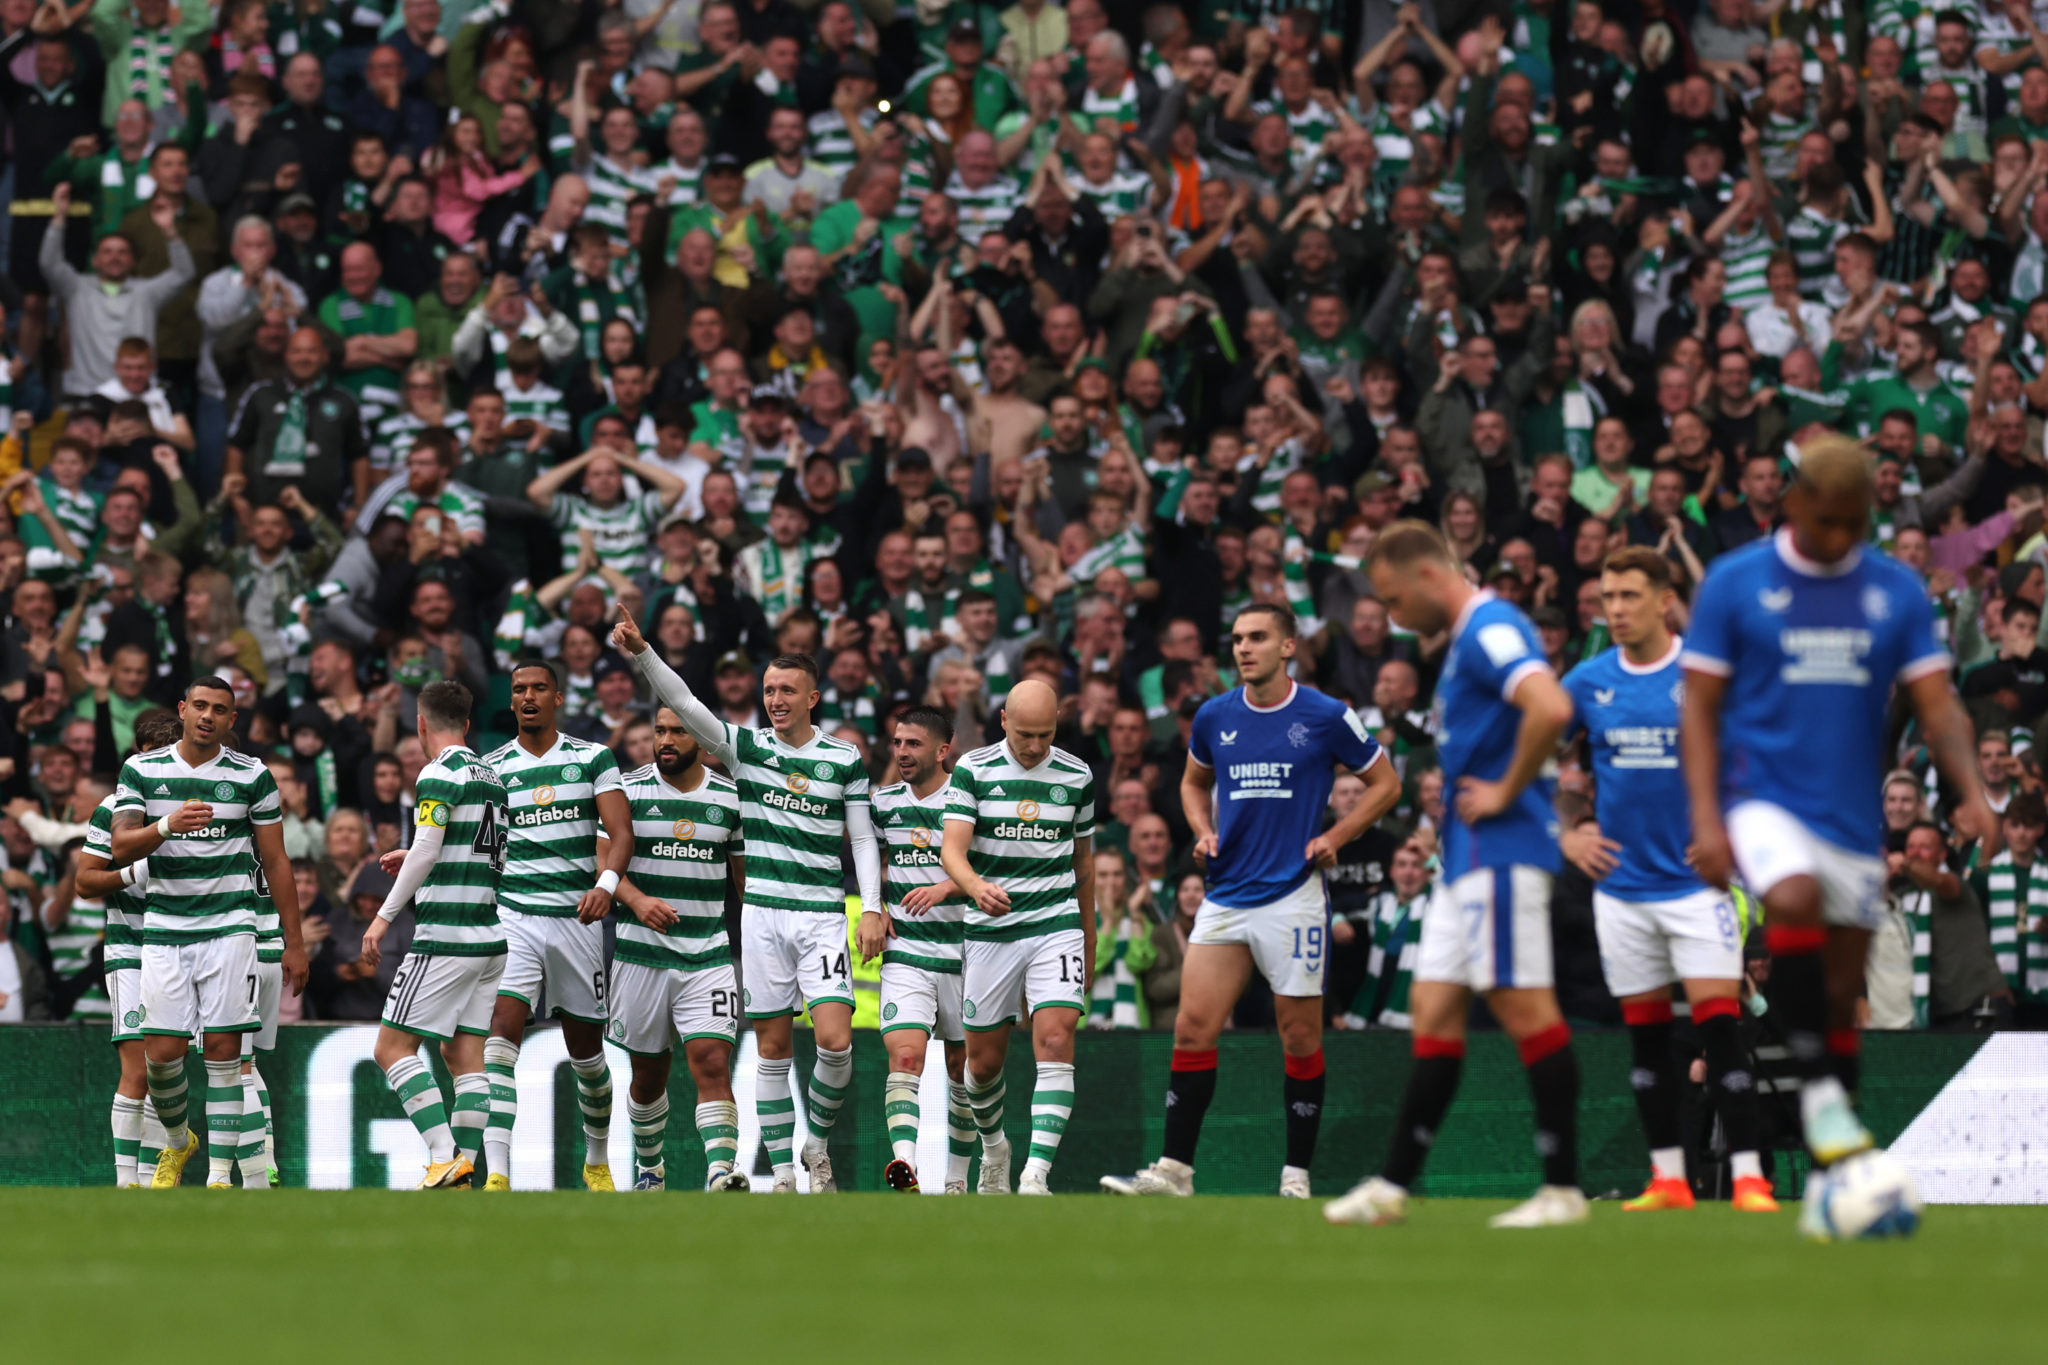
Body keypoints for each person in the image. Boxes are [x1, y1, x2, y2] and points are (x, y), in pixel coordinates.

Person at [1681, 435, 1998, 1236]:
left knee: (1835, 991)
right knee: (1789, 899)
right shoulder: (1735, 582)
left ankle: (1833, 1179)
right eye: (1827, 520)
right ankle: (1824, 1108)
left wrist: (1970, 790)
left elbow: (1937, 704)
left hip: (1851, 813)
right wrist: (1708, 817)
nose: (1841, 536)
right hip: (1762, 797)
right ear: (1792, 503)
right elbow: (1698, 708)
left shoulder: (1893, 589)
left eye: (1856, 522)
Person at [1326, 521, 1585, 1230]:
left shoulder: (1491, 626)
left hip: (1501, 859)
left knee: (1528, 1013)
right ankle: (1392, 1185)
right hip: (1462, 865)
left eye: (1393, 599)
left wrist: (1504, 790)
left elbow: (1552, 705)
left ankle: (1563, 1188)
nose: (1394, 618)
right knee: (1434, 1015)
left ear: (1428, 577)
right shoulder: (1469, 637)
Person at [1103, 603, 1398, 1199]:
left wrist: (1335, 836)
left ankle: (1295, 1176)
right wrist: (1200, 830)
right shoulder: (1215, 715)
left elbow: (1387, 784)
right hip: (1226, 896)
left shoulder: (1326, 715)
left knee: (1299, 1039)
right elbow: (1192, 781)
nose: (1243, 648)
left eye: (1258, 638)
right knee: (1191, 1030)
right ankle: (1175, 1172)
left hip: (1293, 897)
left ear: (1288, 646)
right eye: (1237, 638)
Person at [614, 605, 883, 1193]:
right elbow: (683, 704)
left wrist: (875, 906)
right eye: (768, 690)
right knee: (772, 1049)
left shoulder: (843, 759)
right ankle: (783, 1173)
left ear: (813, 698)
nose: (776, 699)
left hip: (820, 916)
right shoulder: (744, 749)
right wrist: (642, 651)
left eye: (788, 690)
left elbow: (861, 835)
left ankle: (817, 1141)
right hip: (760, 916)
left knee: (836, 1044)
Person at [1559, 546, 1775, 1213]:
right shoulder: (1588, 681)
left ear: (1664, 599)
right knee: (1648, 1038)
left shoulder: (1706, 676)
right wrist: (1565, 832)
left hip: (1695, 889)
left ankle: (1749, 1179)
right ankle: (1668, 1179)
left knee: (1721, 1027)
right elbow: (1525, 760)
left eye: (1628, 595)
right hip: (1622, 893)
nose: (1615, 609)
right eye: (1606, 597)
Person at [111, 675, 306, 1188]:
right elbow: (120, 847)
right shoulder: (142, 769)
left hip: (230, 929)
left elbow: (277, 860)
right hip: (166, 930)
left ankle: (221, 1177)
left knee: (224, 1051)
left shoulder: (252, 775)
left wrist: (295, 941)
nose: (207, 716)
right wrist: (168, 826)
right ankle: (180, 1141)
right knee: (162, 1054)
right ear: (182, 709)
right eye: (199, 705)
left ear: (231, 720)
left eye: (219, 709)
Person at [477, 660, 633, 1191]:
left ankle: (596, 1160)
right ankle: (497, 1173)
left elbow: (621, 833)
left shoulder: (592, 758)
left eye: (538, 688)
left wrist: (606, 887)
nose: (527, 696)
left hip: (577, 918)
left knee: (587, 1055)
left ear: (558, 697)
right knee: (499, 1038)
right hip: (514, 915)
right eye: (519, 689)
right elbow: (477, 843)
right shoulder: (492, 768)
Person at [937, 678, 1096, 1196]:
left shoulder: (1077, 775)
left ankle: (1035, 1175)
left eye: (1045, 736)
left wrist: (1088, 941)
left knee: (1054, 1039)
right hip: (991, 932)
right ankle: (996, 1148)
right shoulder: (974, 769)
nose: (1034, 746)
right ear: (1003, 720)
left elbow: (1084, 868)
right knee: (979, 1068)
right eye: (1025, 734)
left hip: (1055, 925)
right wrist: (975, 886)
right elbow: (952, 852)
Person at [355, 680, 508, 1190]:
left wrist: (383, 917)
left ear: (420, 724)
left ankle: (444, 1157)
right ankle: (463, 1170)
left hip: (446, 936)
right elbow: (476, 848)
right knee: (463, 1056)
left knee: (391, 1049)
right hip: (489, 937)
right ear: (466, 723)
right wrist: (423, 851)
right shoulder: (491, 774)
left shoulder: (437, 772)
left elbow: (425, 851)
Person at [609, 705, 750, 1192]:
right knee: (648, 1078)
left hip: (707, 955)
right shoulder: (626, 790)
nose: (666, 740)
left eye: (679, 731)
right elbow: (601, 860)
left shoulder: (732, 797)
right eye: (660, 731)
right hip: (639, 955)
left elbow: (744, 881)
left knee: (712, 1062)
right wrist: (637, 900)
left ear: (704, 741)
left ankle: (720, 1172)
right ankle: (651, 1170)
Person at [70, 710, 186, 1186]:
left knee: (167, 1067)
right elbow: (84, 882)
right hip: (132, 950)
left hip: (185, 949)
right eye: (151, 754)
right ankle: (126, 1183)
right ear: (137, 755)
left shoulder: (194, 805)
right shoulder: (113, 806)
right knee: (137, 1067)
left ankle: (156, 1174)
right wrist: (131, 873)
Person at [870, 704, 981, 1194]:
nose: (902, 753)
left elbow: (995, 873)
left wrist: (944, 888)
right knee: (907, 1057)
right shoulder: (884, 803)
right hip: (907, 953)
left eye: (913, 744)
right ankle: (905, 1165)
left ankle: (956, 1178)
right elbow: (860, 850)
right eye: (897, 743)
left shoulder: (969, 800)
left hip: (967, 954)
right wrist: (876, 905)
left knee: (963, 1070)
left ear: (943, 750)